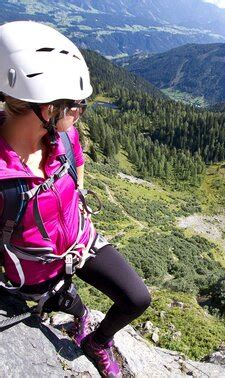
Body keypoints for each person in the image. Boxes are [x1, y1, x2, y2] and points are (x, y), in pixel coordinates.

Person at [0, 21, 151, 377]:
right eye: (76, 106)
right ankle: (80, 317)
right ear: (48, 109)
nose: (79, 112)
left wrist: (77, 198)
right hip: (36, 270)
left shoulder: (63, 139)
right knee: (72, 304)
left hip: (81, 242)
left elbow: (76, 162)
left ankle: (96, 342)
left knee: (136, 298)